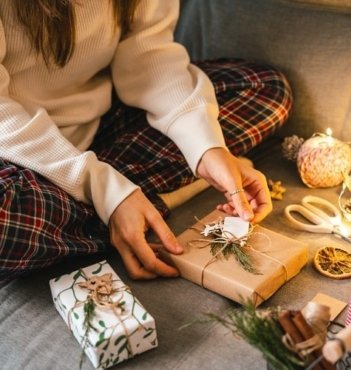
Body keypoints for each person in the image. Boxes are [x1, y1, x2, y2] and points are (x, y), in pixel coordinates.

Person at [0, 0, 292, 281]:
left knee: (264, 87)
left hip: (99, 129)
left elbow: (148, 56)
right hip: (13, 153)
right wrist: (106, 189)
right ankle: (149, 200)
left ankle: (125, 208)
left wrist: (205, 147)